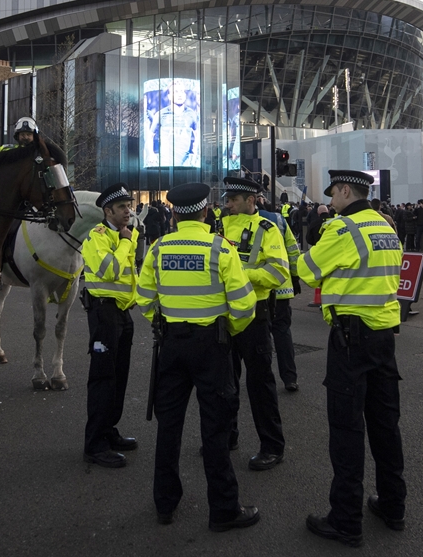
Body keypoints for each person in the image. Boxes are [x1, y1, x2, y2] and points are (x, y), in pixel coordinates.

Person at [136, 182, 261, 532]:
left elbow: (144, 297)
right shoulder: (221, 249)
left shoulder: (160, 248)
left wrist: (163, 321)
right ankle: (223, 509)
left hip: (172, 346)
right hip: (212, 347)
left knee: (169, 427)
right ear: (206, 212)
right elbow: (244, 304)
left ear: (174, 213)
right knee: (216, 430)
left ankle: (165, 503)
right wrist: (229, 332)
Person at [296, 170, 406, 548]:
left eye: (333, 195)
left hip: (350, 340)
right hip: (383, 339)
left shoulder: (343, 230)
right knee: (385, 425)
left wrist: (324, 231)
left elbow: (306, 272)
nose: (331, 202)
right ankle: (393, 506)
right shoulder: (386, 228)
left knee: (346, 430)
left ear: (345, 190)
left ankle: (345, 519)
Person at [221, 176, 288, 470]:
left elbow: (278, 272)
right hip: (224, 314)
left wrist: (239, 277)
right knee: (225, 381)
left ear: (250, 201)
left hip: (255, 313)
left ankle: (272, 446)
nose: (228, 204)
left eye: (233, 200)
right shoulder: (218, 228)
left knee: (260, 383)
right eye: (227, 199)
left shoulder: (267, 229)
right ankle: (228, 435)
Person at [80, 183, 140, 468]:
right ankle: (94, 443)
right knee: (103, 378)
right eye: (122, 207)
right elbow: (111, 271)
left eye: (129, 205)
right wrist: (127, 242)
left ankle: (108, 431)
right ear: (107, 211)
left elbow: (131, 274)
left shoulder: (125, 234)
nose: (128, 211)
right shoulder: (97, 236)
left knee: (119, 376)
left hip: (123, 313)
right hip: (104, 314)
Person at [258, 198, 302, 392]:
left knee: (259, 337)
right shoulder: (279, 220)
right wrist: (295, 276)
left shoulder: (238, 222)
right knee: (282, 333)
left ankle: (262, 378)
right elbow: (293, 250)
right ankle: (289, 377)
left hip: (257, 290)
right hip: (282, 289)